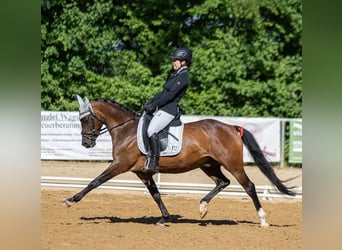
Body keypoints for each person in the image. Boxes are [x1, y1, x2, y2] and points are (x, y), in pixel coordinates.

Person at [143, 47, 192, 174]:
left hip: (169, 110)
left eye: (176, 60)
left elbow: (170, 96)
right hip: (163, 108)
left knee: (151, 130)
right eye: (173, 60)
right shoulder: (176, 75)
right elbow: (163, 93)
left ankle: (154, 162)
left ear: (184, 62)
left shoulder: (184, 76)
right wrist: (151, 101)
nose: (173, 62)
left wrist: (155, 105)